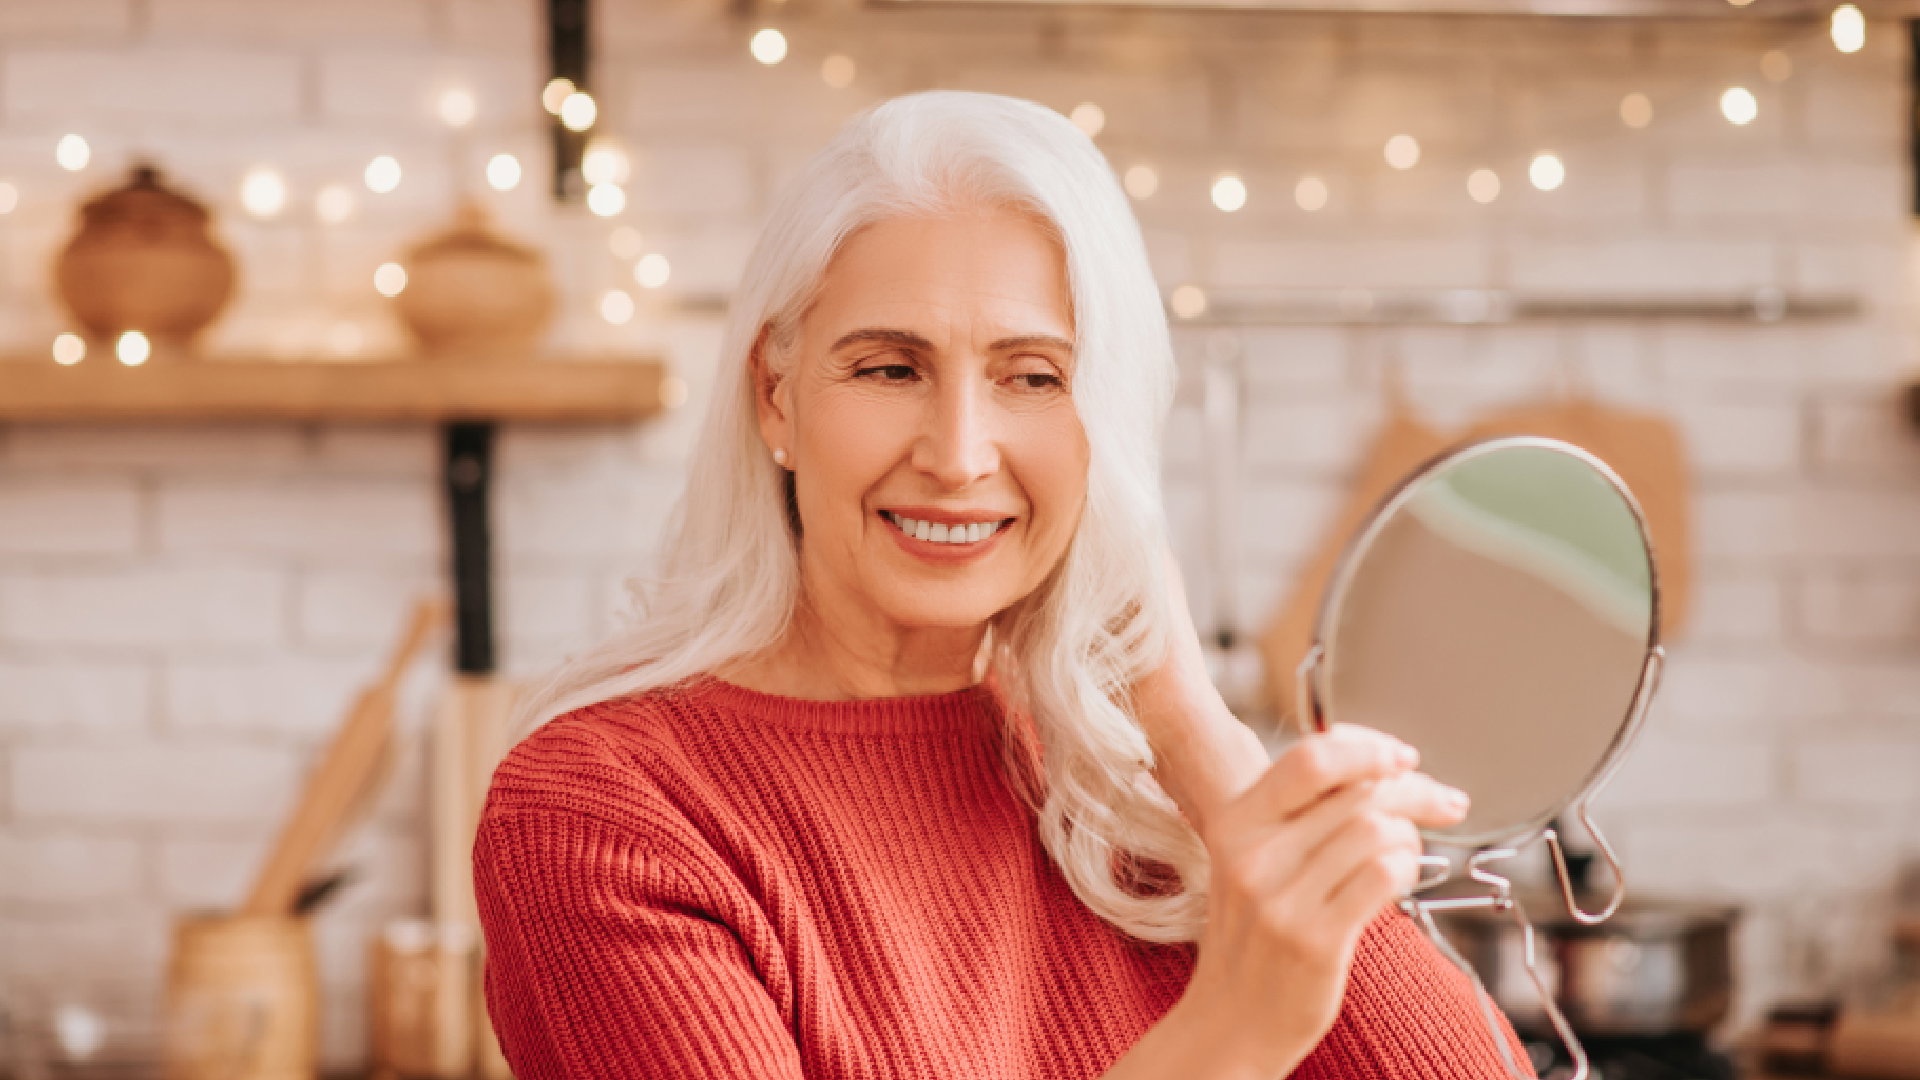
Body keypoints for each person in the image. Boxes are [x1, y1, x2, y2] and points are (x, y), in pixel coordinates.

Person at [473, 90, 1530, 1079]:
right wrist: (1233, 1033)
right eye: (890, 368)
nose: (959, 454)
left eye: (1034, 376)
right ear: (777, 397)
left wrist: (1196, 730)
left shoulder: (1138, 783)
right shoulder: (604, 813)